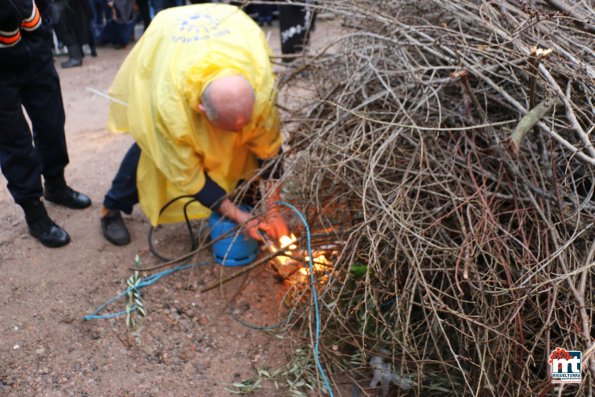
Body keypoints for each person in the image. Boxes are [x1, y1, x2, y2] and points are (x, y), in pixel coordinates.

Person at [100, 3, 288, 246]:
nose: (238, 135)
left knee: (250, 141)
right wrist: (240, 216)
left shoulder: (261, 93)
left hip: (228, 23)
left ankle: (242, 196)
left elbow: (270, 151)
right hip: (167, 42)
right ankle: (111, 207)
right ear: (201, 109)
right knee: (153, 146)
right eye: (230, 129)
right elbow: (190, 178)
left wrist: (274, 211)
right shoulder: (170, 111)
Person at [0, 0, 92, 248]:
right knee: (14, 142)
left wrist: (43, 24)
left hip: (34, 48)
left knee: (52, 123)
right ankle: (34, 212)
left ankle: (56, 184)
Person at [51, 0, 95, 67]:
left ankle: (75, 57)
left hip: (64, 7)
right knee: (67, 30)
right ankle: (76, 55)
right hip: (66, 7)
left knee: (66, 31)